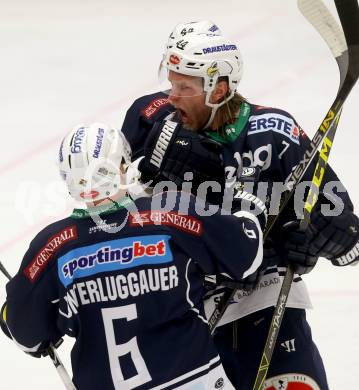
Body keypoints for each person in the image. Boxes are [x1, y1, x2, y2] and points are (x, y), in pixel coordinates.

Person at [120, 24, 359, 389]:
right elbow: (108, 195)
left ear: (218, 88)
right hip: (187, 322)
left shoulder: (274, 133)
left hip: (267, 308)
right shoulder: (156, 120)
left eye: (185, 87)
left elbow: (348, 238)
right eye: (171, 83)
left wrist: (309, 237)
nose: (172, 96)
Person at [0, 123, 268, 390]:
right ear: (122, 165)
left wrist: (13, 312)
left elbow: (28, 337)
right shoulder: (171, 210)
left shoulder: (52, 246)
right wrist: (248, 211)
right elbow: (246, 256)